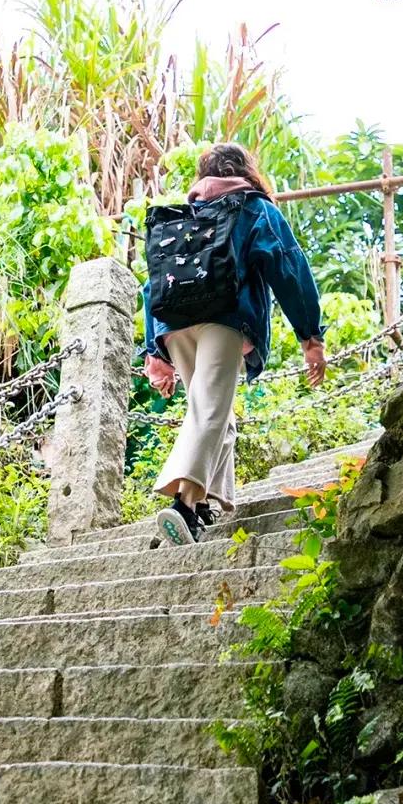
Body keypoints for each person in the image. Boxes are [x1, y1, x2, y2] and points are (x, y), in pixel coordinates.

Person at [142, 142, 327, 545]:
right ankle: (183, 507)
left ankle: (205, 500)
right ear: (245, 170)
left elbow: (151, 282)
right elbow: (289, 268)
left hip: (176, 325)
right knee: (209, 409)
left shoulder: (184, 213)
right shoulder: (254, 208)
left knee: (212, 409)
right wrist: (310, 336)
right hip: (224, 320)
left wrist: (155, 349)